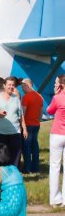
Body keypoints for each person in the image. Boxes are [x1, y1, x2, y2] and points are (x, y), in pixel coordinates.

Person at [0, 76, 27, 168]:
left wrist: (24, 128)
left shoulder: (16, 99)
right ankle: (0, 173)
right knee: (1, 155)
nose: (11, 87)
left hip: (15, 132)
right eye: (9, 85)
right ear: (4, 85)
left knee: (15, 155)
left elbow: (20, 115)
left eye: (13, 85)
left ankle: (14, 174)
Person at [46, 74, 65, 207]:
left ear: (60, 85)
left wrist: (55, 94)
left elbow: (49, 111)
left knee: (54, 167)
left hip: (57, 134)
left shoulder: (57, 98)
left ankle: (55, 199)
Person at [20, 78, 44, 173]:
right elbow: (41, 114)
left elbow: (23, 113)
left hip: (27, 125)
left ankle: (27, 168)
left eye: (23, 87)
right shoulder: (40, 96)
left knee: (26, 147)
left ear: (27, 85)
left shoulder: (26, 97)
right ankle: (35, 168)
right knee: (35, 147)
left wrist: (22, 125)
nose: (22, 89)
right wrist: (37, 120)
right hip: (36, 125)